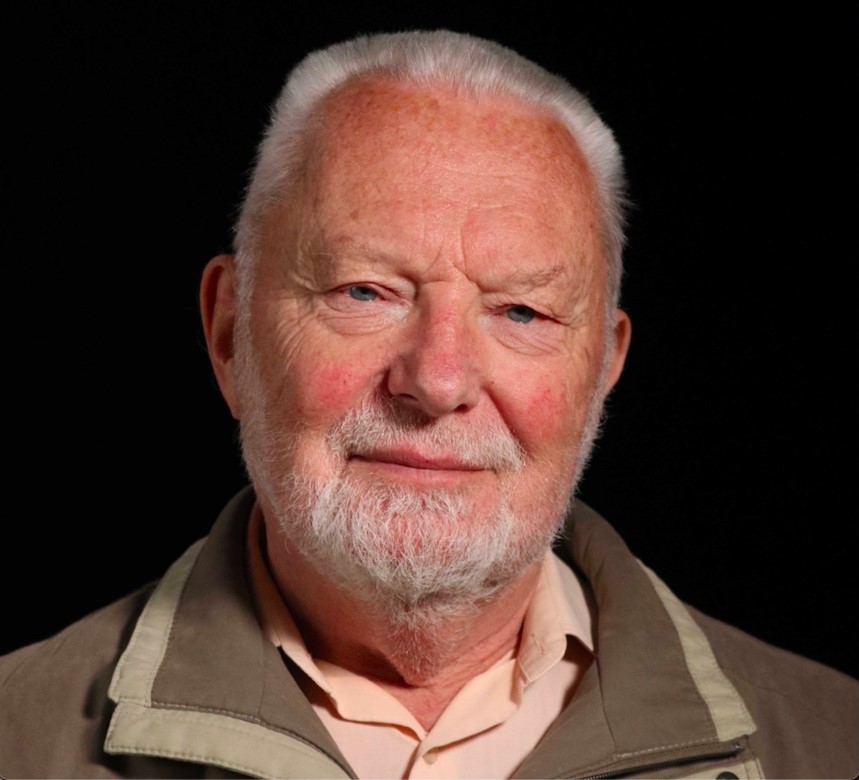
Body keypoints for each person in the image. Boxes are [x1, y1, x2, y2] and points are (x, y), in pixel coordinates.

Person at [1, 29, 856, 780]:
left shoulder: (830, 742)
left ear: (602, 367)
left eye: (520, 312)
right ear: (229, 335)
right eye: (364, 292)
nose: (438, 382)